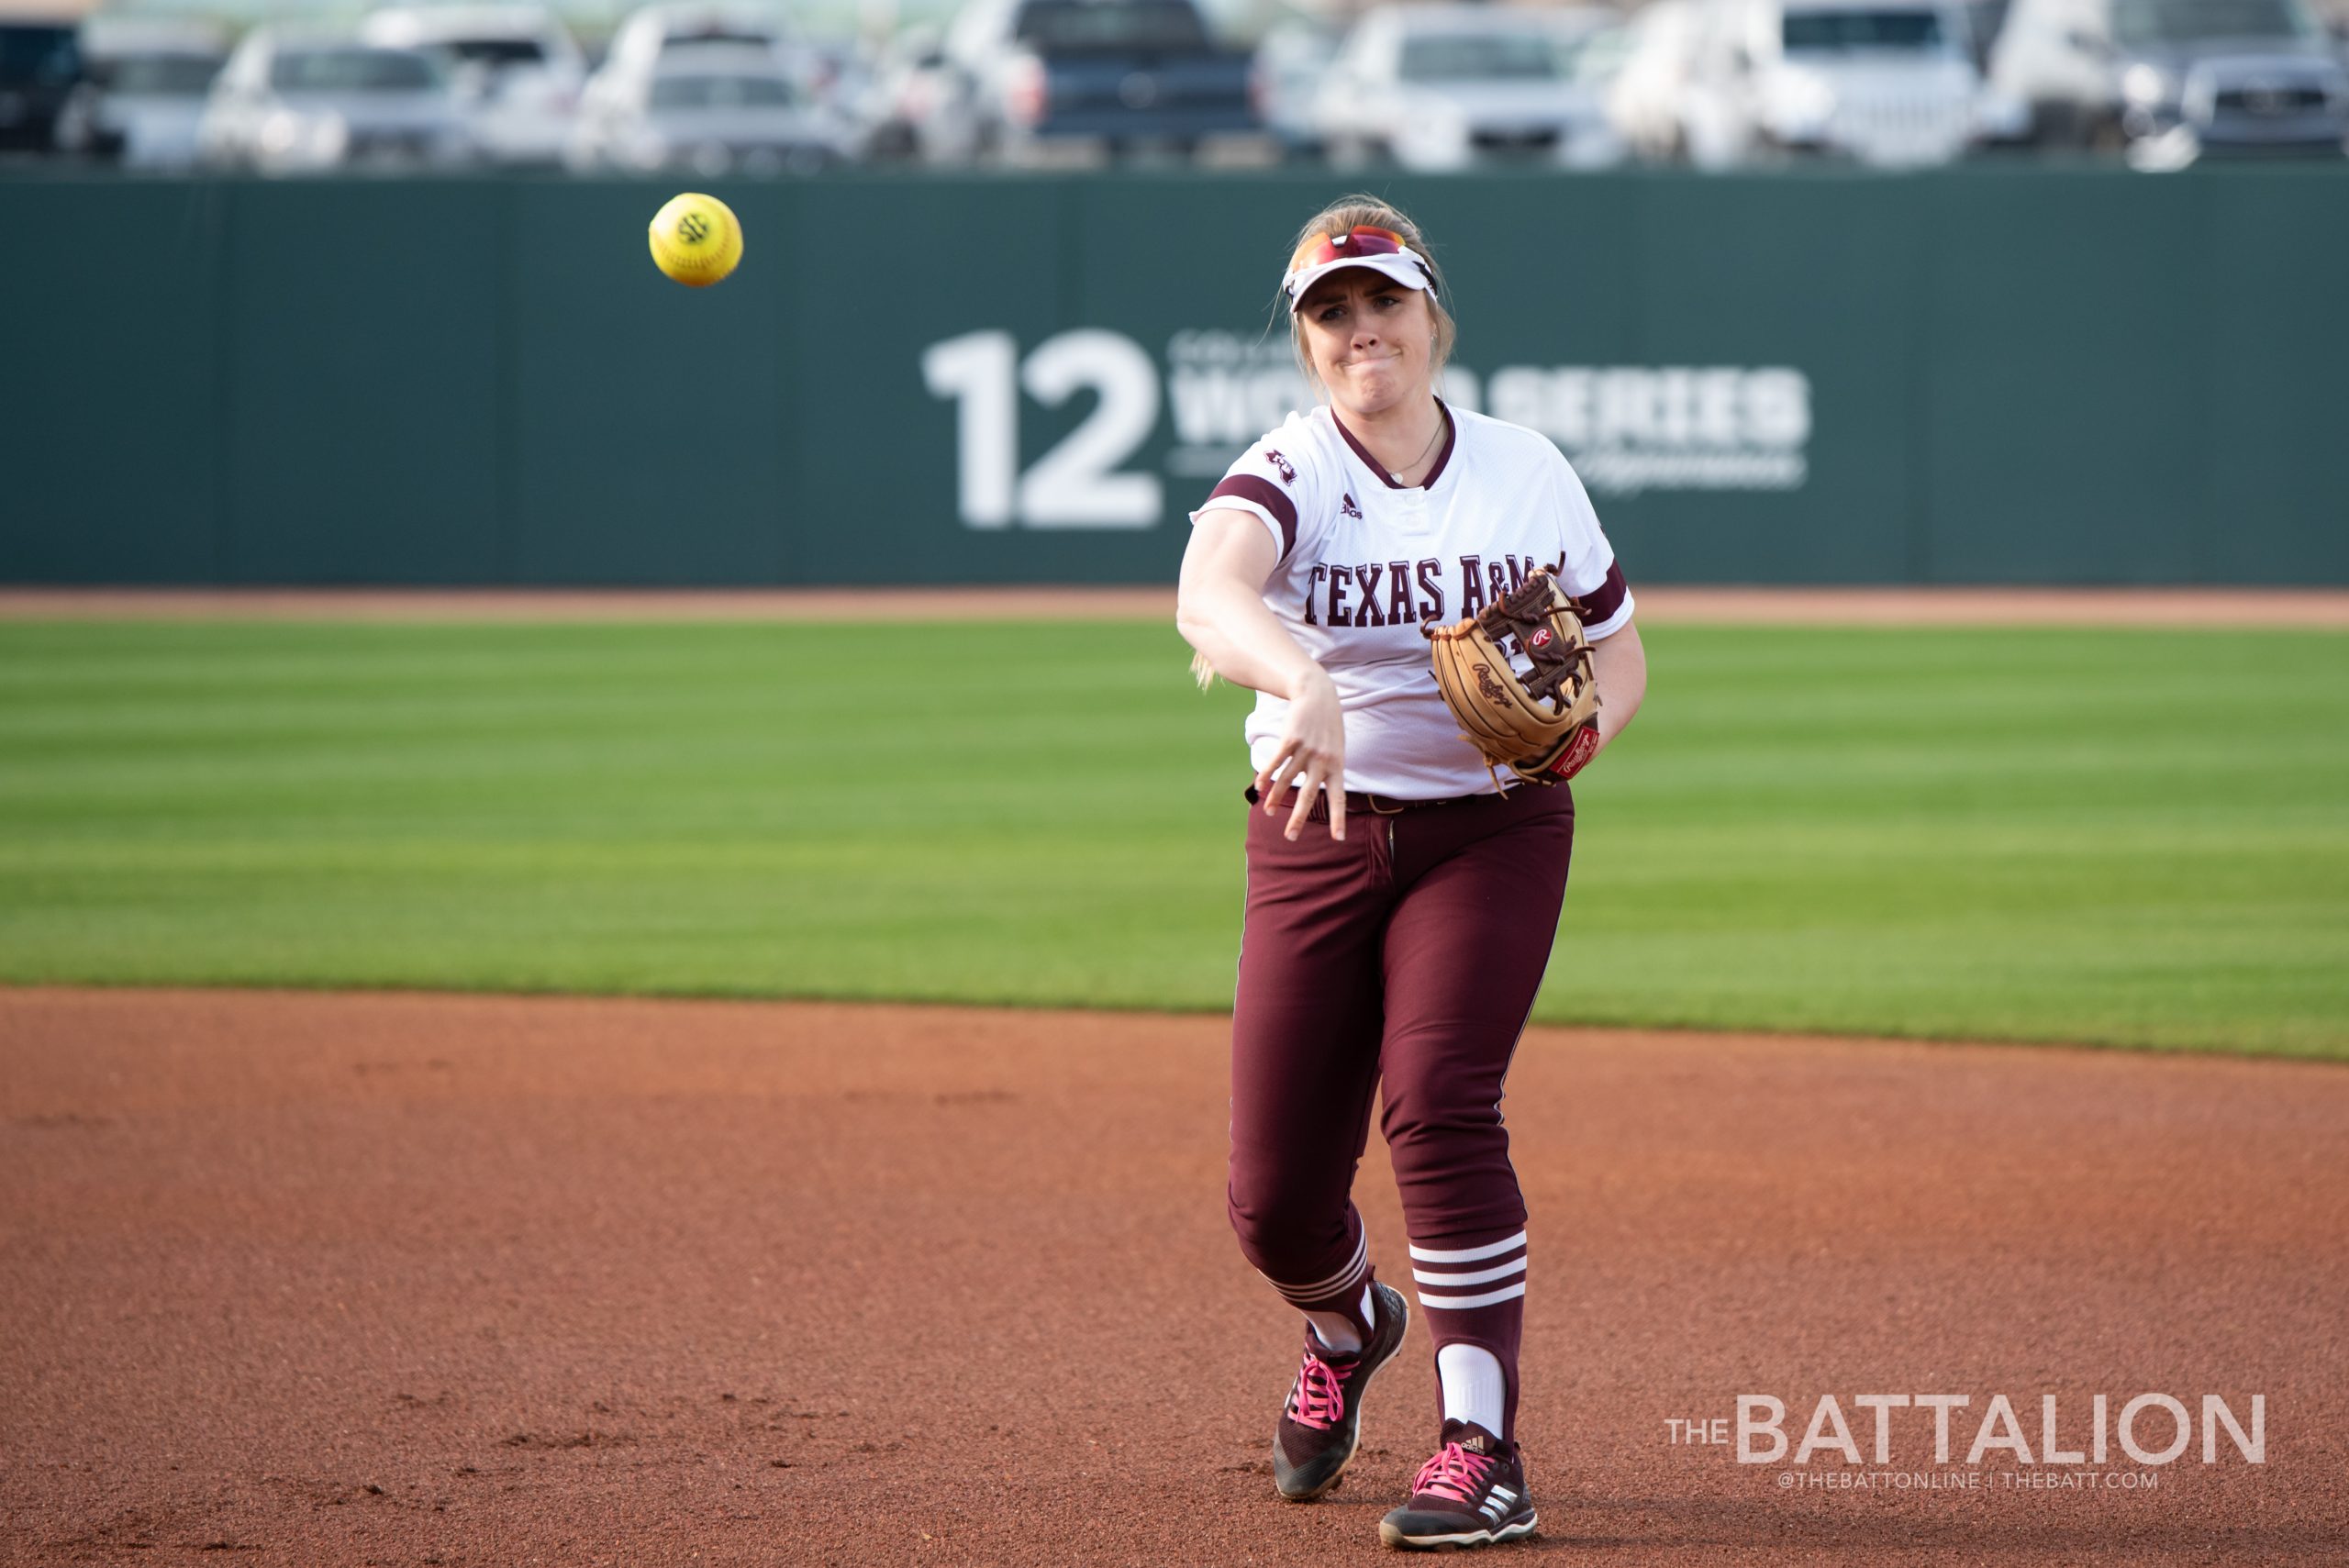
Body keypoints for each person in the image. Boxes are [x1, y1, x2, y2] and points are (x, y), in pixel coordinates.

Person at [1174, 196, 1649, 1551]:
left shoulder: (1526, 468)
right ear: (1306, 342)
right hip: (1315, 832)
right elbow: (1210, 594)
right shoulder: (1289, 470)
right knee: (1273, 1200)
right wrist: (1298, 671)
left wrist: (1579, 739)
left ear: (1433, 317)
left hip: (1492, 827)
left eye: (1383, 301)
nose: (1360, 330)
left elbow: (1619, 650)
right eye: (1330, 312)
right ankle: (1347, 1322)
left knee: (1439, 1100)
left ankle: (1481, 1447)